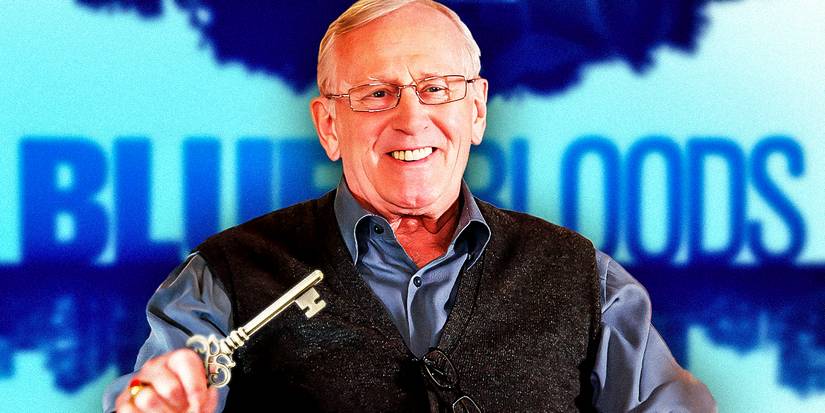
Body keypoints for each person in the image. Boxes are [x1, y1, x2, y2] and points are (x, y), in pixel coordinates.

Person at [104, 0, 716, 411]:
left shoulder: (589, 282)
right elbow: (161, 391)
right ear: (328, 125)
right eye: (376, 94)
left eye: (436, 89)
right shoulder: (223, 277)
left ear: (476, 111)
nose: (412, 117)